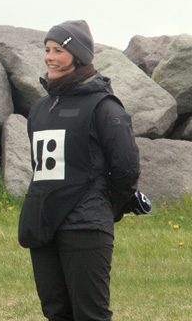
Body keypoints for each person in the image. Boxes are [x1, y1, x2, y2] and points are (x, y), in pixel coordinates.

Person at [18, 20, 144, 320]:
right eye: (47, 50)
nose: (49, 57)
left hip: (86, 225)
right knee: (55, 312)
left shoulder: (105, 106)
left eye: (58, 51)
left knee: (90, 314)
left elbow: (126, 169)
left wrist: (103, 206)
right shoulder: (39, 109)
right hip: (43, 224)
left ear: (78, 56)